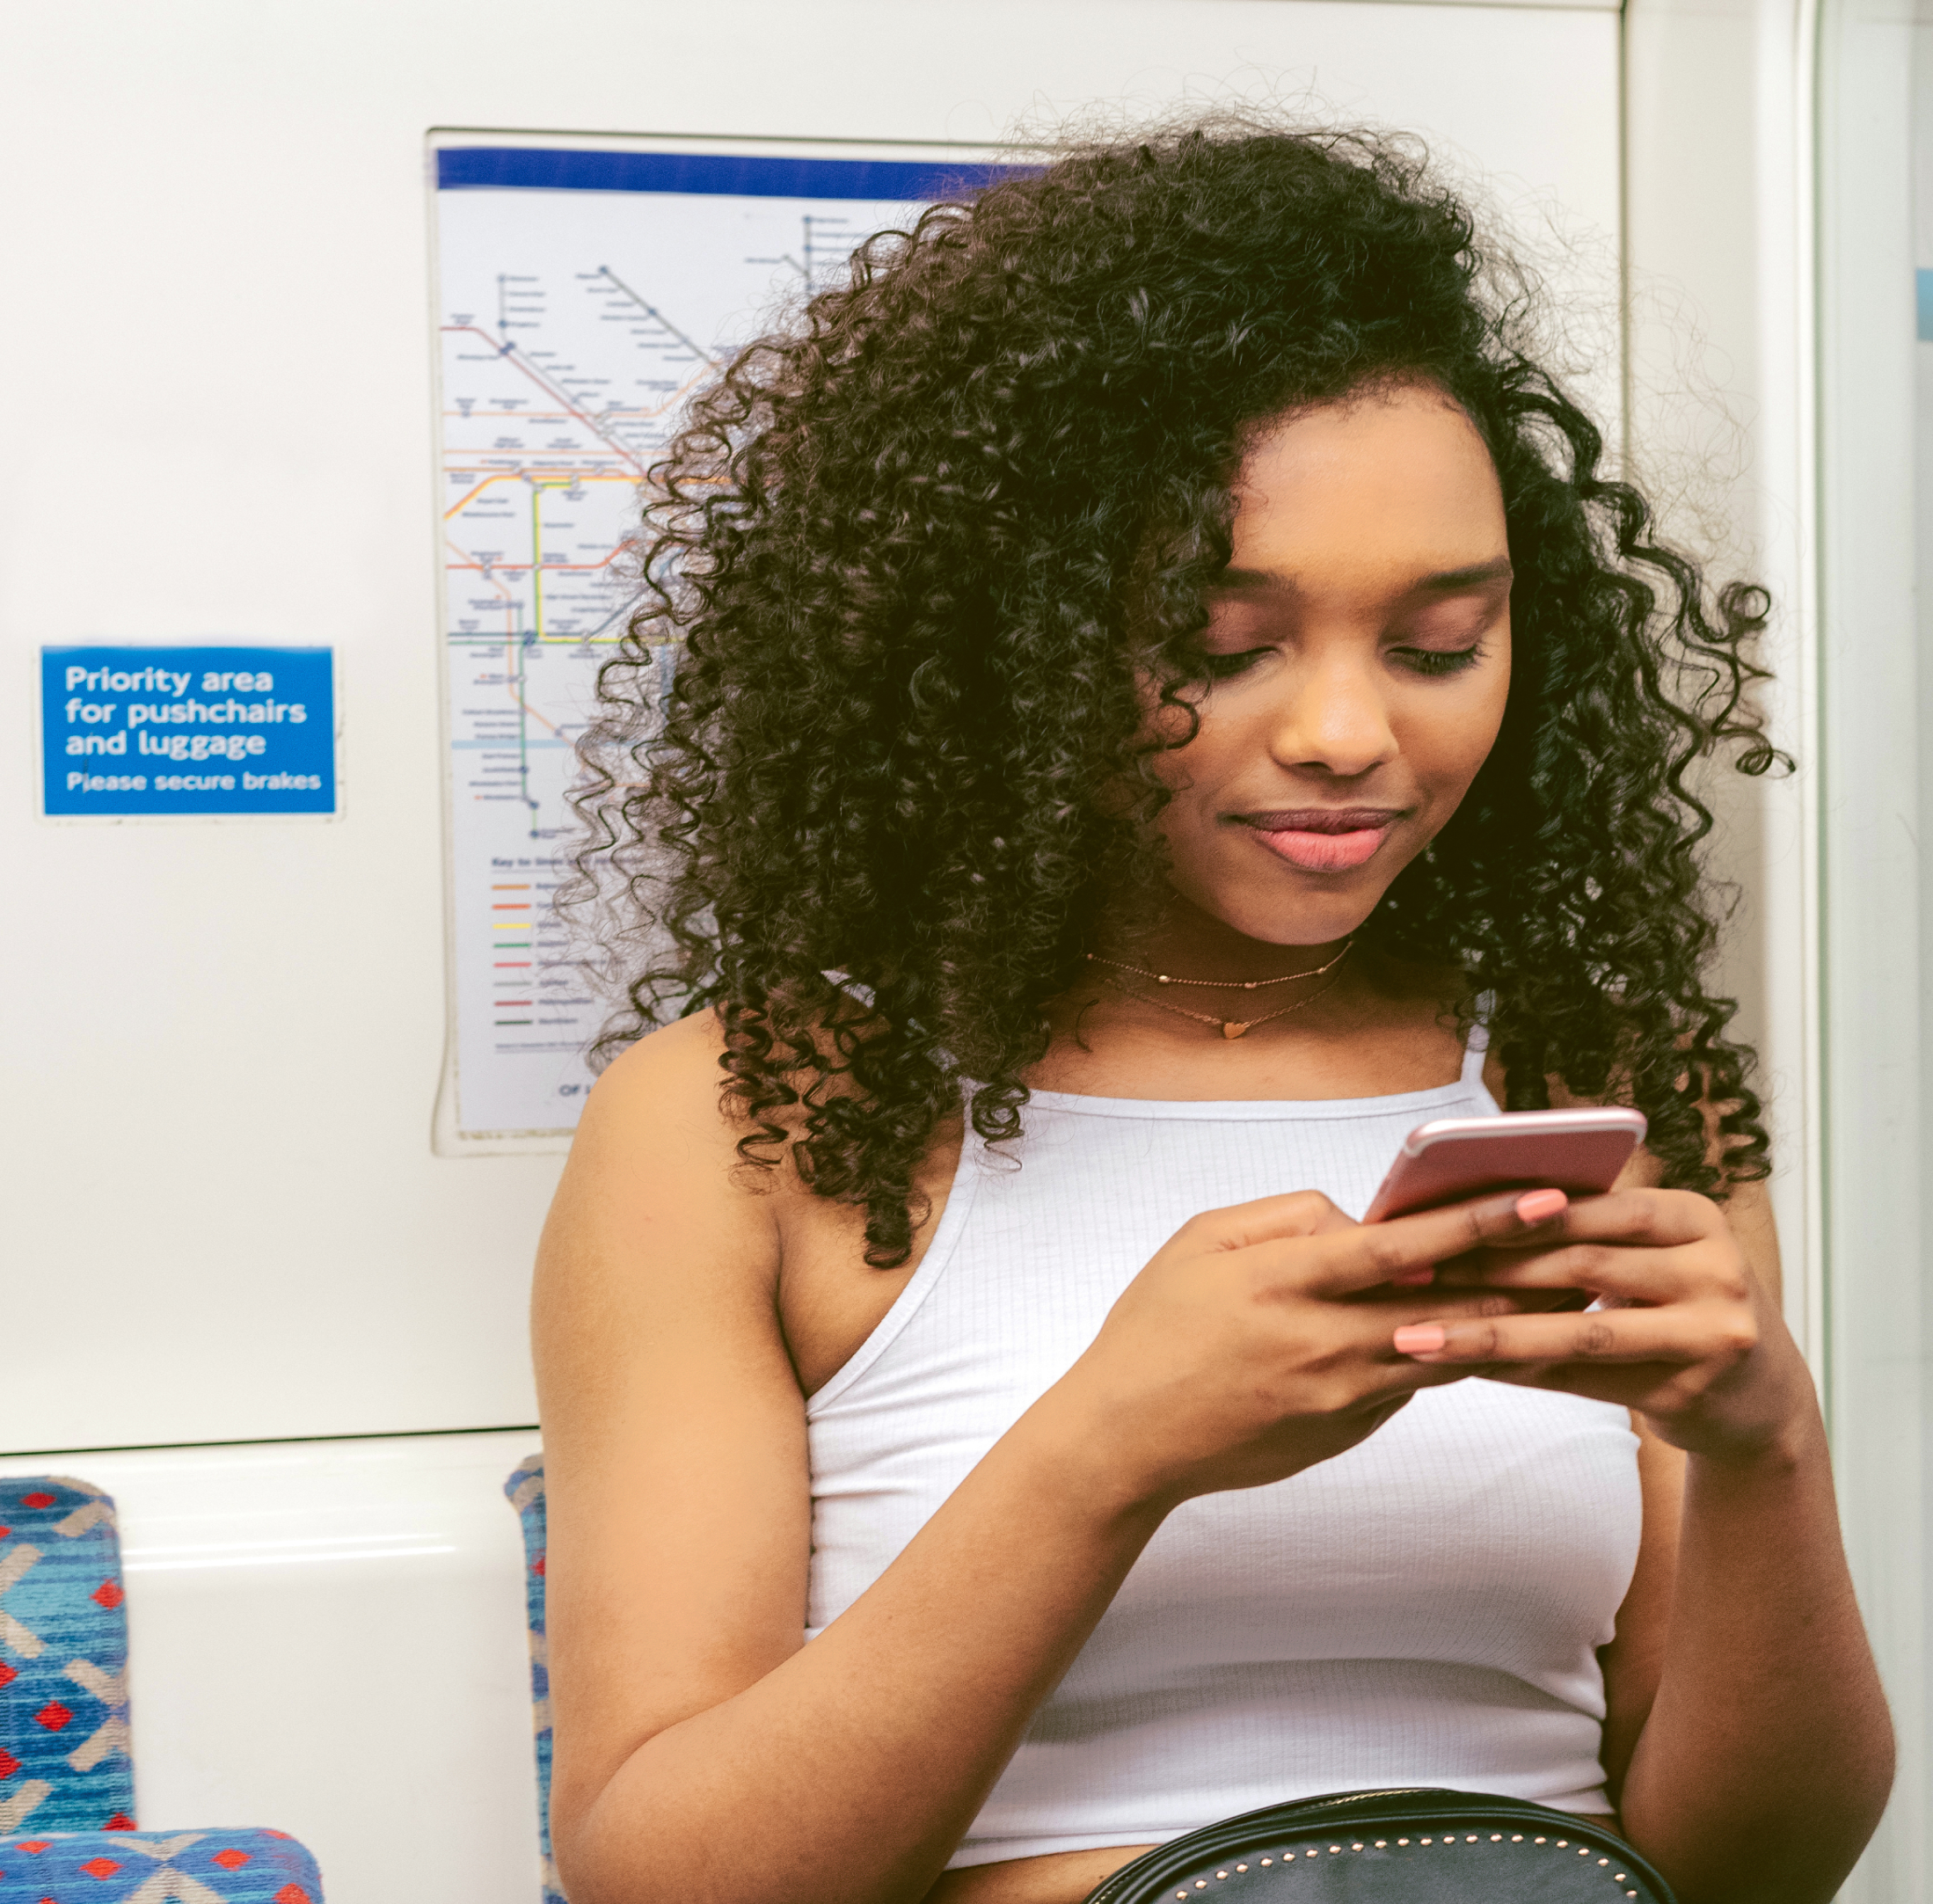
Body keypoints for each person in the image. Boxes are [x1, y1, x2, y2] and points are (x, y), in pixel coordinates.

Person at [530, 121, 1893, 1904]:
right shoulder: (758, 1115)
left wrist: (1760, 1442)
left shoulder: (1591, 1076)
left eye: (1433, 645)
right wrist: (1110, 1450)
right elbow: (666, 1881)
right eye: (1221, 641)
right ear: (1007, 638)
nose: (1344, 731)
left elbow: (1751, 1873)